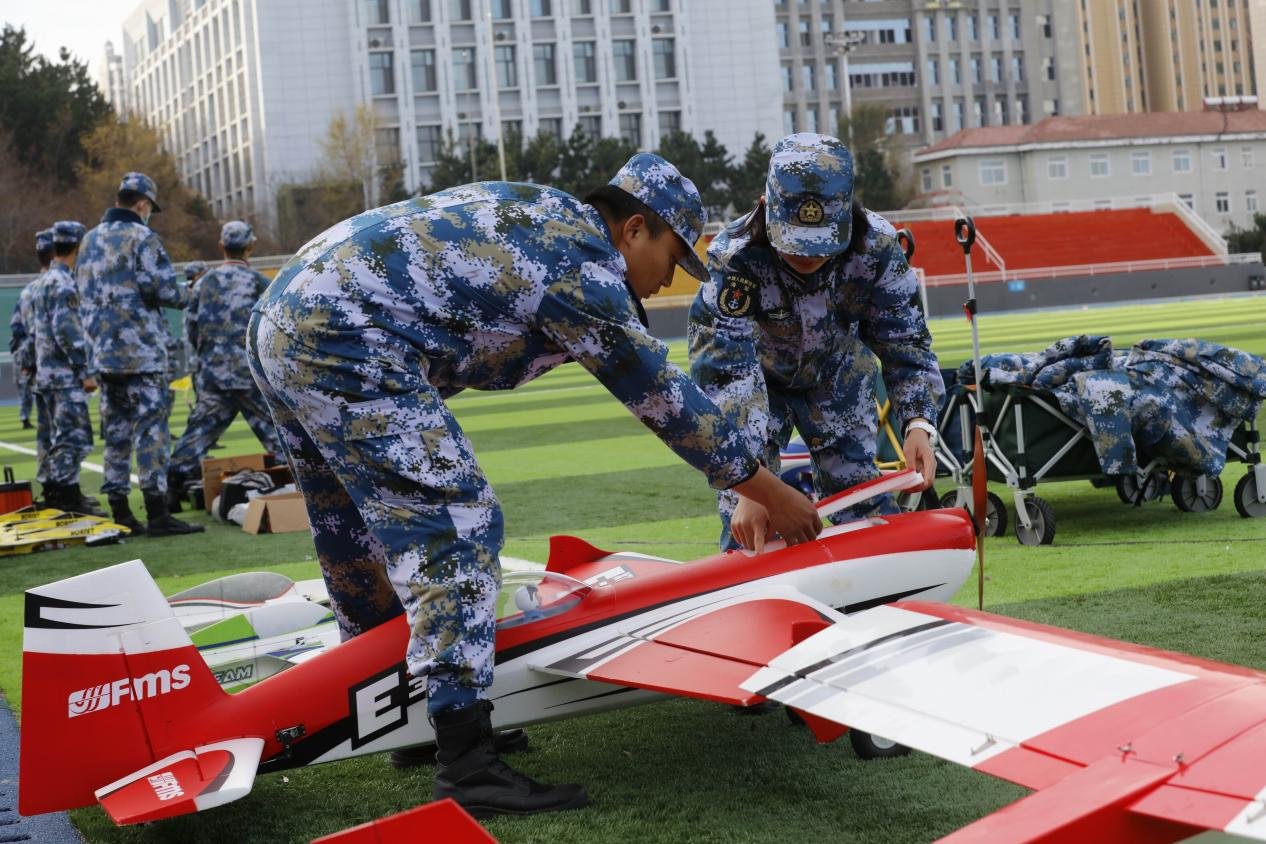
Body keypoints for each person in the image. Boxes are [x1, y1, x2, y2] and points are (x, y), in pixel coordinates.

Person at [248, 154, 821, 818]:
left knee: (353, 528)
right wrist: (770, 489)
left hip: (284, 318)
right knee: (454, 522)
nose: (668, 282)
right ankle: (466, 762)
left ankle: (406, 713)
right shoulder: (578, 260)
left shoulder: (545, 218)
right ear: (635, 228)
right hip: (344, 333)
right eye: (671, 258)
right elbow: (664, 398)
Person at [688, 133, 943, 553]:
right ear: (766, 207)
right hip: (757, 389)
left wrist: (917, 424)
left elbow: (906, 341)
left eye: (822, 242)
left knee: (860, 501)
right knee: (750, 522)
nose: (807, 257)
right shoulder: (734, 259)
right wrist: (753, 485)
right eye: (794, 242)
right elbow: (725, 375)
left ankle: (874, 606)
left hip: (838, 379)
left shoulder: (876, 247)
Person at [76, 172, 203, 536]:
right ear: (143, 204)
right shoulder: (142, 237)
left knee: (116, 434)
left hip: (102, 354)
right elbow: (163, 290)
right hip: (141, 354)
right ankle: (157, 513)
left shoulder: (87, 240)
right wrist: (191, 290)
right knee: (151, 431)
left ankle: (119, 511)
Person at [168, 222, 279, 510]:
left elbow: (190, 330)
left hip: (213, 373)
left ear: (222, 246)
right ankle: (301, 487)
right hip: (249, 373)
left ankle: (169, 491)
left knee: (198, 434)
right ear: (250, 247)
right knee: (277, 432)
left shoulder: (203, 283)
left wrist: (201, 363)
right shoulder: (259, 282)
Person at [29, 221, 105, 516]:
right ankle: (66, 499)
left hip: (49, 373)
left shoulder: (46, 280)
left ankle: (61, 494)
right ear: (78, 246)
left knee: (62, 437)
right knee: (74, 438)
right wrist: (84, 371)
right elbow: (67, 331)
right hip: (64, 376)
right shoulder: (63, 284)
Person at [12, 230, 54, 492]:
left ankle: (50, 485)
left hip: (40, 373)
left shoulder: (28, 292)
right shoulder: (58, 287)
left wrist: (28, 365)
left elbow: (17, 335)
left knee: (45, 432)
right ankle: (65, 491)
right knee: (66, 435)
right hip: (61, 375)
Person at [9, 230, 49, 432]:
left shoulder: (28, 291)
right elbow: (18, 327)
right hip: (41, 356)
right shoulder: (57, 287)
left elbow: (16, 324)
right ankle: (25, 418)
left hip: (30, 353)